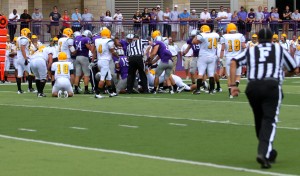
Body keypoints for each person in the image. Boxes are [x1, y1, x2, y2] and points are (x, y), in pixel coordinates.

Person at [229, 28, 297, 169]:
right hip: (271, 86)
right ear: (273, 38)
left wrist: (232, 85)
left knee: (259, 119)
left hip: (253, 87)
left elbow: (234, 62)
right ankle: (264, 153)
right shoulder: (279, 50)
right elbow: (293, 68)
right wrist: (284, 73)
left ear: (258, 39)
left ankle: (269, 151)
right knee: (269, 120)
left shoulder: (251, 50)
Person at [220, 23, 246, 98]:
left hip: (228, 58)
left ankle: (230, 93)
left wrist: (221, 59)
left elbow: (222, 49)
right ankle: (234, 90)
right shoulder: (240, 35)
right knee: (238, 76)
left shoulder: (224, 36)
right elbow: (243, 46)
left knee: (229, 77)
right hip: (238, 58)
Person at [192, 25, 219, 94]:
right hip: (212, 56)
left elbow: (194, 42)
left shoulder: (202, 35)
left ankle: (198, 90)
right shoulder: (215, 35)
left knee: (200, 73)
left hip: (203, 56)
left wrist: (196, 35)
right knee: (211, 74)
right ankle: (212, 90)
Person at [93, 28, 118, 98]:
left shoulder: (97, 40)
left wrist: (92, 60)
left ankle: (111, 92)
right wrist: (118, 56)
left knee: (108, 77)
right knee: (103, 78)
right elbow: (112, 51)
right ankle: (97, 93)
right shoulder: (109, 41)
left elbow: (94, 50)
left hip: (100, 60)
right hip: (105, 61)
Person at [16, 28, 36, 94]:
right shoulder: (24, 39)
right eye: (28, 33)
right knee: (30, 72)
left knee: (19, 74)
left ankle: (19, 90)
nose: (29, 35)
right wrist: (25, 58)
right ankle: (30, 88)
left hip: (18, 58)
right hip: (23, 58)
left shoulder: (19, 38)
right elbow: (23, 49)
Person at [74, 30, 93, 94]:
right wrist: (93, 47)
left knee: (77, 74)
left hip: (77, 57)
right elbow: (90, 48)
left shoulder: (77, 38)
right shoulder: (86, 39)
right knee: (86, 74)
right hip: (84, 57)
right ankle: (86, 89)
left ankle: (76, 89)